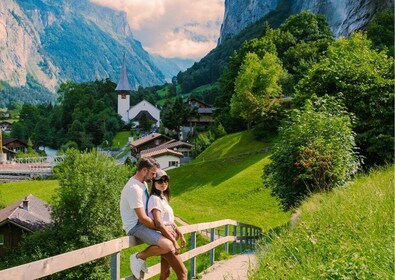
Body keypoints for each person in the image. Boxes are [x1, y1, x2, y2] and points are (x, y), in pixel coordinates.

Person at [120, 157, 187, 280]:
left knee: (166, 272)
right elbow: (143, 219)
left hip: (143, 224)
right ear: (144, 170)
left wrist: (169, 228)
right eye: (153, 173)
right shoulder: (134, 188)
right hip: (135, 226)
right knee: (167, 245)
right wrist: (162, 227)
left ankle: (140, 260)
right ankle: (139, 257)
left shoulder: (142, 184)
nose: (154, 176)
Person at [148, 169, 187, 279]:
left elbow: (169, 221)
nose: (163, 183)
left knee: (165, 273)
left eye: (165, 181)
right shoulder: (155, 199)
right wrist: (174, 241)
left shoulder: (163, 198)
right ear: (154, 183)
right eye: (160, 181)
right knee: (183, 273)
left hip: (169, 237)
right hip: (166, 240)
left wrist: (181, 234)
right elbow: (159, 223)